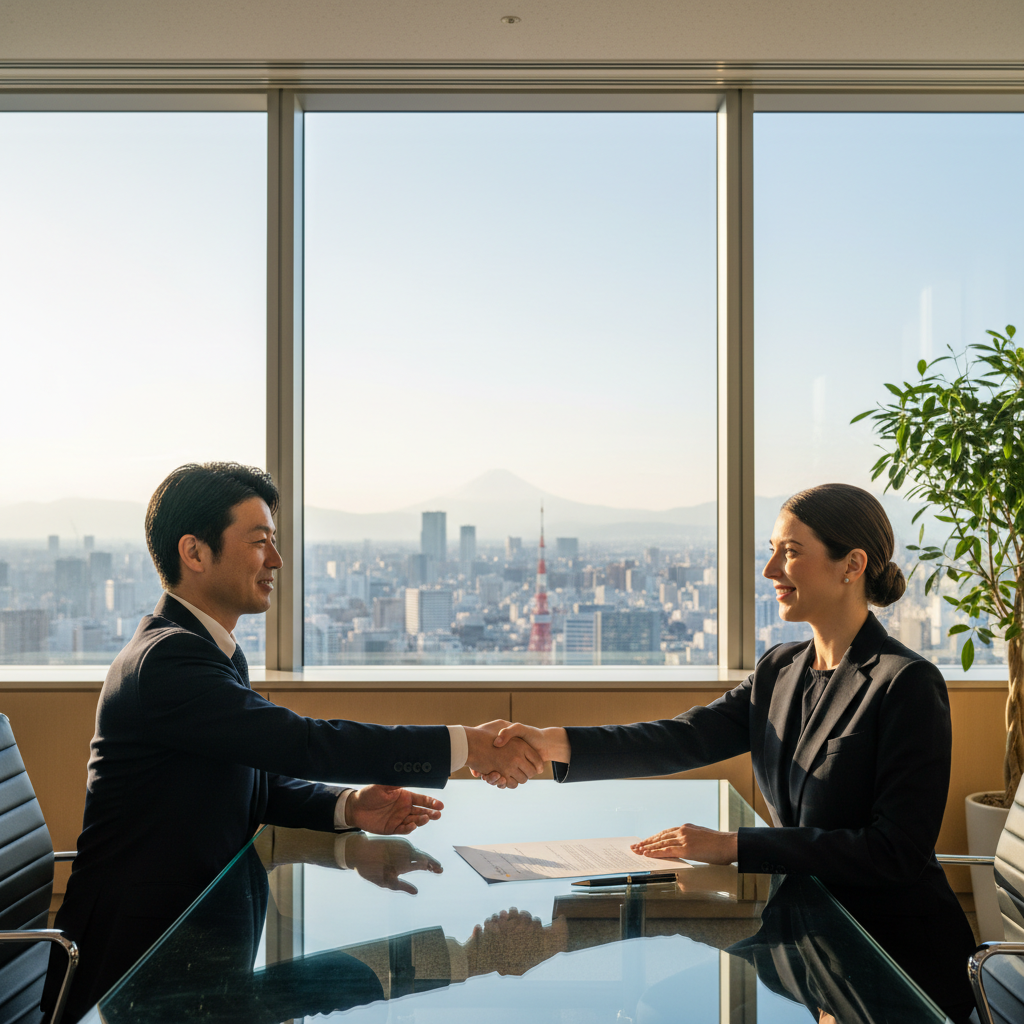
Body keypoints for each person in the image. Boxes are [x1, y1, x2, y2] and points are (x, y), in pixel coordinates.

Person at [45, 462, 542, 1021]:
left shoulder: (212, 650)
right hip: (137, 970)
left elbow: (255, 776)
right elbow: (301, 741)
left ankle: (454, 961)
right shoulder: (167, 662)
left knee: (299, 991)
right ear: (195, 552)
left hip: (201, 944)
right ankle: (457, 961)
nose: (276, 561)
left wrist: (349, 805)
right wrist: (466, 747)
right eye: (260, 543)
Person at [488, 483, 978, 1023]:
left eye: (789, 552)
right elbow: (680, 737)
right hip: (802, 942)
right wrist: (551, 741)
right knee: (658, 1005)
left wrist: (733, 845)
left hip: (892, 959)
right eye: (772, 550)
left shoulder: (905, 682)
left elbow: (896, 852)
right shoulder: (779, 671)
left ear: (852, 564)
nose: (770, 570)